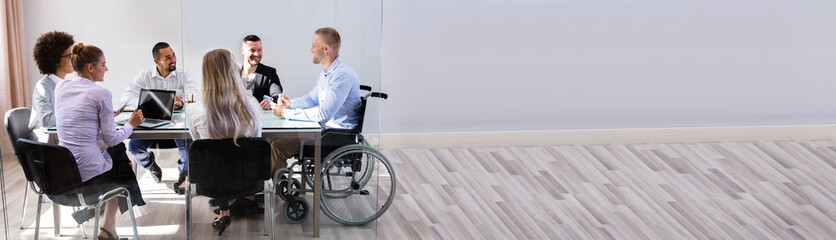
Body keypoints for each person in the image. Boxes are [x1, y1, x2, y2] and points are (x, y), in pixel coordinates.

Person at [54, 43, 147, 240]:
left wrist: (104, 116)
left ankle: (103, 221)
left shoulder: (61, 87)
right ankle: (108, 225)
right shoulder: (101, 94)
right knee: (121, 156)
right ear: (90, 67)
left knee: (120, 157)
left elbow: (77, 119)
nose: (106, 69)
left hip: (65, 171)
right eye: (103, 65)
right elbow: (111, 139)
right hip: (88, 174)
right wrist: (132, 124)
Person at [186, 48, 262, 235]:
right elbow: (257, 141)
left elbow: (199, 147)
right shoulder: (252, 105)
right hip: (249, 180)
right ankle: (228, 210)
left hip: (209, 181)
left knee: (216, 162)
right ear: (233, 72)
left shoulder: (194, 111)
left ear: (205, 74)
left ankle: (223, 211)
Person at [270, 27, 361, 174]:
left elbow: (324, 113)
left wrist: (286, 114)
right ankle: (267, 184)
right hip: (323, 130)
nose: (310, 49)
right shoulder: (327, 73)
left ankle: (274, 190)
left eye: (313, 45)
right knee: (271, 137)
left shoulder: (341, 76)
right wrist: (291, 104)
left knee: (278, 147)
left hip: (332, 136)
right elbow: (312, 98)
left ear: (326, 48)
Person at [119, 42, 197, 192]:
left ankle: (183, 173)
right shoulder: (145, 75)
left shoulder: (183, 74)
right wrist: (148, 103)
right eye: (167, 57)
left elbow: (194, 96)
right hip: (152, 121)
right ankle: (150, 165)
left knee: (187, 144)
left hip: (177, 123)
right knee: (134, 148)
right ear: (157, 61)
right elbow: (126, 96)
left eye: (173, 55)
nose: (173, 59)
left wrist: (182, 102)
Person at [29, 31, 74, 143]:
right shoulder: (43, 87)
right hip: (46, 144)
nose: (73, 59)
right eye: (69, 56)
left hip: (61, 138)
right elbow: (47, 121)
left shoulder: (66, 84)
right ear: (55, 61)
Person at [240, 35, 283, 110]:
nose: (256, 54)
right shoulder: (232, 73)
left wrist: (271, 102)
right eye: (252, 50)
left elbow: (278, 96)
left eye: (259, 50)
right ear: (243, 51)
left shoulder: (270, 73)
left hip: (262, 119)